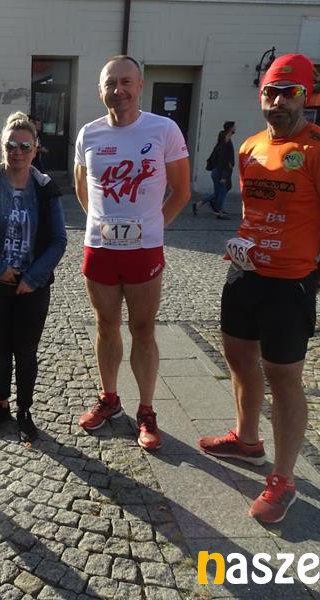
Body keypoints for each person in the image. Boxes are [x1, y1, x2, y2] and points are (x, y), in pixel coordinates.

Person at [198, 54, 320, 524]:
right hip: (243, 274)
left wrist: (316, 279)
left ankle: (284, 478)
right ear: (261, 96)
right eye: (271, 92)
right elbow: (253, 211)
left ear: (306, 96)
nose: (278, 102)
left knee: (283, 377)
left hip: (291, 282)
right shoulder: (250, 147)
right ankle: (247, 440)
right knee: (238, 358)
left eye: (289, 93)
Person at [74, 55, 191, 450]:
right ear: (100, 90)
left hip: (144, 251)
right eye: (111, 83)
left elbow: (182, 191)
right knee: (105, 325)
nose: (118, 90)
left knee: (143, 329)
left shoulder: (163, 129)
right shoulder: (89, 133)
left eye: (126, 82)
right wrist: (100, 223)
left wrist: (154, 226)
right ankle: (109, 399)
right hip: (100, 248)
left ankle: (146, 411)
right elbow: (82, 189)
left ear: (140, 86)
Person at [0, 112, 67, 441]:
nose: (17, 151)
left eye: (25, 146)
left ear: (35, 149)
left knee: (27, 352)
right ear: (2, 147)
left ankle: (25, 410)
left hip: (33, 287)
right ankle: (2, 406)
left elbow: (59, 240)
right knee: (1, 351)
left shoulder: (46, 189)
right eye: (11, 145)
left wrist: (33, 277)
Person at [194, 122, 236, 219]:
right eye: (234, 127)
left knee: (218, 193)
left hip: (217, 171)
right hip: (221, 172)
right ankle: (219, 212)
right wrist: (224, 176)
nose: (235, 128)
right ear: (230, 129)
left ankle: (198, 205)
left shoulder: (222, 142)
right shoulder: (226, 143)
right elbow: (224, 161)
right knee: (222, 192)